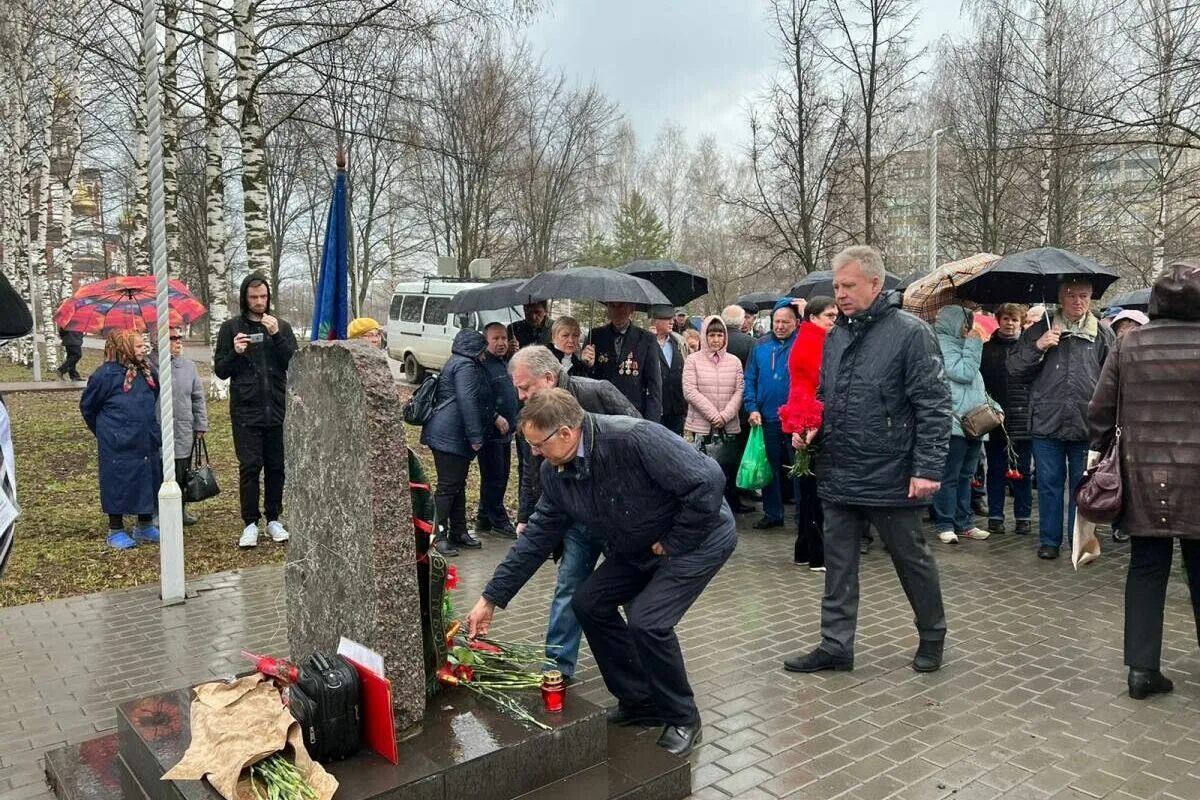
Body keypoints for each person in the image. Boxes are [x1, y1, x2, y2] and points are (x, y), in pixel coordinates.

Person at [466, 389, 735, 756]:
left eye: (538, 444)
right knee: (589, 602)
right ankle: (641, 701)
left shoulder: (632, 438)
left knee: (648, 622)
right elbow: (537, 538)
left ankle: (683, 718)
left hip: (698, 537)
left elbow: (708, 481)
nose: (534, 452)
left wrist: (674, 540)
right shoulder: (555, 472)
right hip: (639, 544)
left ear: (565, 432)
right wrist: (490, 599)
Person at [783, 245, 951, 675]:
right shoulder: (836, 334)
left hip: (891, 473)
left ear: (876, 284)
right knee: (838, 565)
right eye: (837, 286)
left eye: (849, 286)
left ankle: (932, 635)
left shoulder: (911, 333)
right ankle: (836, 645)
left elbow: (933, 404)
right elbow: (829, 394)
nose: (840, 294)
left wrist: (928, 467)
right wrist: (813, 426)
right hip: (840, 468)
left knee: (911, 559)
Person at [1088, 260, 1200, 700]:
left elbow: (1100, 409)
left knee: (1146, 568)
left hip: (1144, 477)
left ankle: (1141, 669)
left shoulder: (1128, 345)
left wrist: (1098, 453)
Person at [508, 346, 638, 681]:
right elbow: (530, 469)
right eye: (518, 389)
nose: (521, 396)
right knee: (569, 587)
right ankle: (557, 668)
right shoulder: (532, 415)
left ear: (549, 378)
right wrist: (525, 515)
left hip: (619, 516)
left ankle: (644, 662)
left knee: (634, 593)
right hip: (574, 517)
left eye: (525, 387)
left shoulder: (599, 393)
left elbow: (638, 440)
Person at [1008, 278, 1114, 559]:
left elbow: (1114, 379)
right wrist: (1038, 347)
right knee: (1049, 485)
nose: (1077, 301)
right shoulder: (1040, 330)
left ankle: (1079, 543)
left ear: (1091, 298)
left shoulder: (1103, 335)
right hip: (1047, 422)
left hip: (1087, 425)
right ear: (1059, 297)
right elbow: (1015, 369)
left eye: (1084, 296)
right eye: (1071, 295)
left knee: (1084, 488)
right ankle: (1049, 541)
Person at [213, 272, 298, 548]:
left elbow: (294, 364)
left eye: (263, 296)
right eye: (253, 297)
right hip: (246, 412)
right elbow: (221, 371)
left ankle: (274, 518)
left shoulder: (280, 326)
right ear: (244, 298)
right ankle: (250, 523)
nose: (259, 302)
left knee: (276, 467)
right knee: (250, 467)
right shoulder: (231, 328)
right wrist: (235, 353)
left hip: (277, 408)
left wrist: (275, 336)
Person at [80, 330, 163, 549]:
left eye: (143, 345)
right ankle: (115, 528)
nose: (143, 349)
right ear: (123, 348)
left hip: (145, 438)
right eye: (137, 346)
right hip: (117, 441)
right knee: (117, 481)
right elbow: (88, 407)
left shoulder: (147, 372)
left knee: (147, 476)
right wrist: (106, 431)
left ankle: (144, 524)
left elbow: (154, 396)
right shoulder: (104, 376)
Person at [420, 328, 497, 556]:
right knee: (448, 487)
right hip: (450, 436)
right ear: (476, 349)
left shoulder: (458, 361)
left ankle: (459, 532)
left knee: (457, 484)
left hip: (450, 434)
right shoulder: (465, 366)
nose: (485, 354)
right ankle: (438, 537)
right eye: (483, 349)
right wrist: (475, 436)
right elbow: (468, 401)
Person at [930, 306, 997, 544]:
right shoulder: (942, 345)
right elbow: (964, 373)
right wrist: (974, 344)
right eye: (966, 323)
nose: (970, 329)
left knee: (966, 475)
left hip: (973, 423)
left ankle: (964, 522)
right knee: (950, 475)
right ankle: (945, 523)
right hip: (954, 423)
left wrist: (994, 408)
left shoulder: (963, 345)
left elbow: (976, 383)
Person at [780, 296, 838, 571]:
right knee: (815, 492)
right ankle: (817, 554)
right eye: (830, 316)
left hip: (804, 417)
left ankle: (804, 550)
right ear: (813, 317)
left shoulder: (809, 338)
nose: (834, 321)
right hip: (810, 419)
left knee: (807, 489)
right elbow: (819, 381)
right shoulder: (812, 341)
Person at [743, 300, 799, 529]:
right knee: (769, 469)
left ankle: (802, 516)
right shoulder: (760, 345)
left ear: (796, 323)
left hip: (796, 419)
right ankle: (773, 513)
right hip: (767, 418)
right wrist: (752, 407)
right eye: (777, 321)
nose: (780, 326)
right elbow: (750, 380)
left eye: (786, 322)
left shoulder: (802, 344)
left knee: (799, 470)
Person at [682, 315, 744, 513]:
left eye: (720, 335)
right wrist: (712, 415)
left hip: (728, 426)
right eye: (711, 335)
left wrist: (725, 415)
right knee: (702, 473)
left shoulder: (734, 362)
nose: (716, 339)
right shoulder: (693, 360)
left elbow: (739, 390)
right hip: (701, 426)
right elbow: (690, 390)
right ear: (704, 336)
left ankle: (727, 512)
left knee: (727, 470)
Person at [980, 303, 1033, 535]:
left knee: (1021, 470)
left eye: (1014, 320)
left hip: (1023, 418)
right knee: (996, 469)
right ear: (998, 320)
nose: (1010, 324)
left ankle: (1023, 516)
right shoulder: (986, 350)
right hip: (996, 418)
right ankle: (995, 515)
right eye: (1006, 319)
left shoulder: (1029, 350)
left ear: (1021, 322)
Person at [475, 323, 518, 539]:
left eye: (504, 338)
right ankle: (498, 520)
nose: (501, 343)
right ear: (486, 340)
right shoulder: (482, 365)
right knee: (495, 477)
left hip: (506, 433)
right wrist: (494, 417)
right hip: (490, 433)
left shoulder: (505, 362)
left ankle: (483, 517)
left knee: (500, 475)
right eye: (496, 339)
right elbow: (478, 397)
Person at [587, 302, 662, 422]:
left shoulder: (646, 339)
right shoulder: (595, 336)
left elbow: (654, 385)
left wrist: (652, 422)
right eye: (613, 306)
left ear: (631, 308)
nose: (617, 311)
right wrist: (587, 364)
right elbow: (588, 379)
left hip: (633, 413)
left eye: (621, 306)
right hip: (602, 412)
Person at [168, 327, 208, 526]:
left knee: (182, 470)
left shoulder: (188, 367)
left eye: (179, 337)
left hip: (183, 427)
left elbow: (197, 397)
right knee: (161, 471)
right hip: (159, 429)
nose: (178, 341)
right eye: (172, 338)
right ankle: (157, 511)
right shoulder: (149, 365)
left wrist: (200, 424)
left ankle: (181, 508)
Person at [650, 305, 687, 435]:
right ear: (655, 321)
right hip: (656, 407)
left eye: (672, 318)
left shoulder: (680, 342)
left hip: (677, 408)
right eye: (667, 319)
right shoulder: (645, 341)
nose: (672, 322)